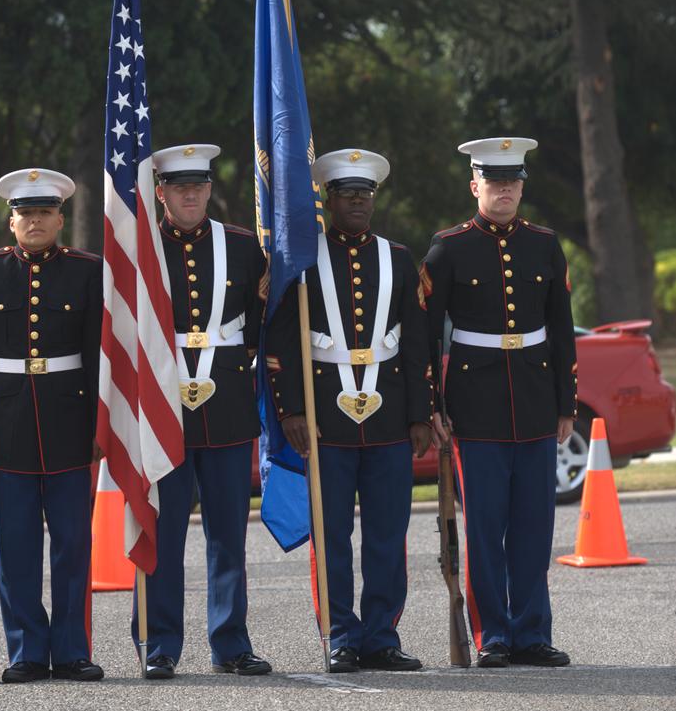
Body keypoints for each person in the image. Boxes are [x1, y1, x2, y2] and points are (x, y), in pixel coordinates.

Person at [266, 149, 434, 673]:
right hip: (323, 419)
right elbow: (283, 342)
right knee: (331, 533)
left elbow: (417, 344)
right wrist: (291, 408)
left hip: (387, 418)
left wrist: (420, 414)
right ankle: (340, 633)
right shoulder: (300, 259)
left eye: (365, 193)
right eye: (347, 193)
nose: (358, 201)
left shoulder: (399, 258)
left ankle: (382, 635)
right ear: (327, 199)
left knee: (387, 532)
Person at [0, 168, 104, 684]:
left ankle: (74, 650)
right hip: (7, 424)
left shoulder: (87, 270)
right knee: (15, 545)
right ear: (11, 221)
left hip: (72, 422)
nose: (34, 221)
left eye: (44, 212)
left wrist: (105, 422)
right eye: (25, 213)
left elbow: (104, 354)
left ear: (60, 218)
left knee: (74, 543)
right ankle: (27, 652)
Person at [422, 137, 577, 668]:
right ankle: (493, 635)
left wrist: (566, 402)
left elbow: (560, 329)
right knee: (486, 528)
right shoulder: (448, 247)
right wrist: (433, 404)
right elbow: (427, 336)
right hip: (477, 402)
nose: (505, 189)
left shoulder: (545, 244)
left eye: (513, 181)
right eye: (495, 181)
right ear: (475, 186)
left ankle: (532, 632)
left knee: (535, 526)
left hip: (534, 399)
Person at [133, 143, 272, 680]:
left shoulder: (241, 247)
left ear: (210, 189)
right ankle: (159, 643)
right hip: (162, 410)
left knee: (228, 533)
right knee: (163, 530)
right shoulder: (142, 249)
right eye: (179, 186)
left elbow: (260, 324)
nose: (190, 194)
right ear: (161, 192)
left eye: (199, 185)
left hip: (228, 406)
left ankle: (231, 642)